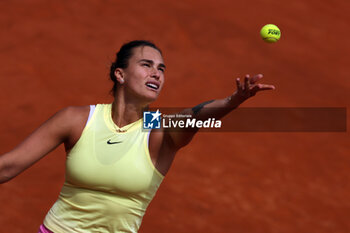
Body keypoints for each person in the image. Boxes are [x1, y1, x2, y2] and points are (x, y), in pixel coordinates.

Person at [0, 40, 275, 233]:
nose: (156, 73)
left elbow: (196, 115)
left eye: (161, 68)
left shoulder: (158, 130)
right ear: (120, 74)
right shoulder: (78, 119)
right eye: (146, 65)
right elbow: (8, 166)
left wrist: (233, 100)